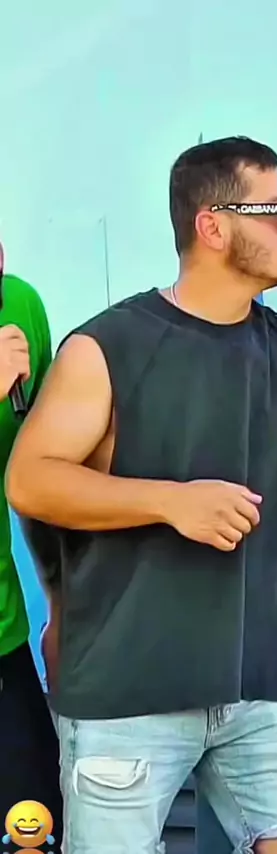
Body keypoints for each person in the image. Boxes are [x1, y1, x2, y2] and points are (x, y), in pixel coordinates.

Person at [6, 136, 277, 854]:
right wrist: (171, 501)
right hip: (128, 687)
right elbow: (31, 478)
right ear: (212, 225)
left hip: (265, 685)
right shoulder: (108, 346)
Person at [0, 256, 62, 844]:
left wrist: (60, 606)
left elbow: (34, 480)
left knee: (36, 830)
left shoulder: (16, 305)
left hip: (4, 638)